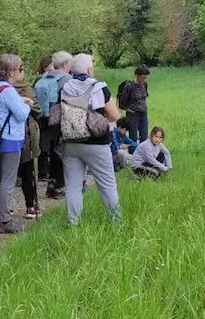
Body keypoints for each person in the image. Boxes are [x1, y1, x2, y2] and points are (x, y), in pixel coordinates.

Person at [59, 53, 121, 225]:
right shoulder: (98, 88)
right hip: (96, 143)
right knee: (107, 184)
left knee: (73, 186)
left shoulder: (65, 87)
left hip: (71, 141)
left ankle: (74, 223)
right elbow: (114, 116)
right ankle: (115, 221)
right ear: (89, 69)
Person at [0, 54, 34, 233]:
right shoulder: (8, 90)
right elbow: (21, 114)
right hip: (11, 139)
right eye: (20, 69)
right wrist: (28, 104)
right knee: (8, 181)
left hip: (0, 138)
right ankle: (5, 220)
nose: (22, 72)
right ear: (11, 71)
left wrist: (20, 101)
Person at [39, 51, 72, 199]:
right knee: (61, 151)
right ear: (65, 64)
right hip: (59, 119)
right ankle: (58, 186)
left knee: (51, 151)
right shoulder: (67, 80)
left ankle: (51, 183)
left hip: (44, 120)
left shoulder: (44, 77)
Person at [15, 76, 42, 219]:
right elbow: (37, 110)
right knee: (28, 170)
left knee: (5, 174)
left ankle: (4, 211)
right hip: (27, 133)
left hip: (5, 135)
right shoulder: (26, 89)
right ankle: (30, 206)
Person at [116, 65, 150, 143]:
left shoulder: (145, 85)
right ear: (137, 75)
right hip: (133, 115)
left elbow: (144, 97)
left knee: (144, 137)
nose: (144, 79)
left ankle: (143, 154)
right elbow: (123, 102)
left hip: (143, 113)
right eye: (143, 77)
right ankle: (133, 154)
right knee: (133, 139)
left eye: (146, 77)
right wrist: (130, 110)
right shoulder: (129, 86)